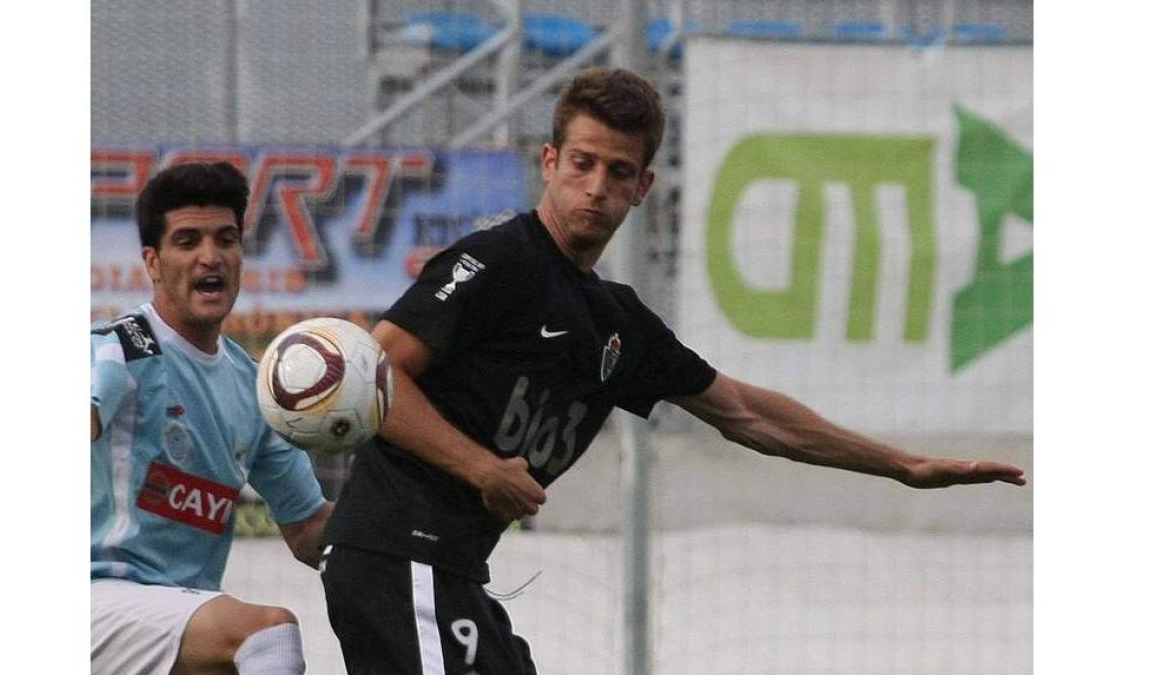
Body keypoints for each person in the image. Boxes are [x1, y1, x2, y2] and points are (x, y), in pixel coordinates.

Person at [320, 66, 1026, 674]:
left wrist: (902, 463)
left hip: (453, 572)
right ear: (549, 161)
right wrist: (480, 466)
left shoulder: (619, 323)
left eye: (618, 171)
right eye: (582, 163)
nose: (596, 187)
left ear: (644, 186)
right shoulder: (501, 260)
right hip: (398, 556)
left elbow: (747, 413)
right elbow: (375, 370)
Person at [90, 161, 334, 675]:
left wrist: (406, 528)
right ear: (153, 262)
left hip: (175, 615)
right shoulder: (117, 350)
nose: (210, 256)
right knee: (268, 635)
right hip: (98, 596)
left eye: (226, 239)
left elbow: (310, 528)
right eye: (187, 241)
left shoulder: (254, 386)